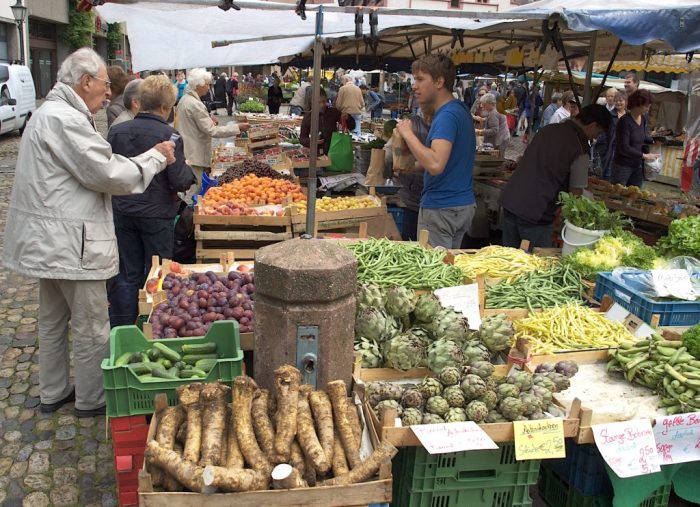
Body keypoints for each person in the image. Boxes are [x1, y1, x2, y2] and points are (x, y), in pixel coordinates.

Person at [2, 48, 176, 418]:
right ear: (84, 82)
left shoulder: (48, 114)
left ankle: (53, 391)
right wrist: (157, 156)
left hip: (51, 239)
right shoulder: (64, 118)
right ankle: (92, 399)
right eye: (103, 85)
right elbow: (109, 173)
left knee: (52, 320)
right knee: (90, 324)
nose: (108, 92)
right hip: (70, 241)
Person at [108, 75, 195, 327]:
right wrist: (189, 173)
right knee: (159, 273)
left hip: (123, 211)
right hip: (157, 215)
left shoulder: (116, 131)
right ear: (166, 108)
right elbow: (178, 180)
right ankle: (156, 326)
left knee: (127, 274)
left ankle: (122, 329)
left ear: (140, 102)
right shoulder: (170, 135)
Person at [499, 104, 611, 248]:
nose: (597, 137)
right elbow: (575, 193)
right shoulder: (579, 148)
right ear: (592, 125)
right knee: (537, 264)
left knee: (508, 260)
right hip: (536, 212)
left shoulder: (547, 130)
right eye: (599, 132)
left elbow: (523, 159)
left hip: (511, 201)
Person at [395, 54, 476, 249]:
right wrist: (412, 165)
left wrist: (408, 134)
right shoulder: (459, 109)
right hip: (460, 205)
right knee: (449, 269)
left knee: (435, 273)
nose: (414, 85)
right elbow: (445, 159)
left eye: (420, 79)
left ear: (439, 82)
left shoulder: (447, 115)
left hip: (442, 208)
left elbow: (435, 164)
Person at [176, 68, 249, 200]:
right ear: (199, 85)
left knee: (189, 189)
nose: (208, 88)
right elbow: (212, 131)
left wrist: (208, 118)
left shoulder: (185, 99)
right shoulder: (195, 104)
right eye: (207, 84)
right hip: (195, 153)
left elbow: (195, 122)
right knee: (194, 190)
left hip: (187, 150)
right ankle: (187, 217)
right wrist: (237, 127)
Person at [387, 109, 433, 241]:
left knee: (410, 239)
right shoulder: (443, 127)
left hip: (410, 195)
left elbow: (388, 155)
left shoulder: (409, 126)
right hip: (430, 198)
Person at [611, 89, 658, 187]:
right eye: (646, 106)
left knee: (635, 194)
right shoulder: (625, 121)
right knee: (618, 194)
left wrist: (655, 141)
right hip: (623, 166)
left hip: (637, 165)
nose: (648, 109)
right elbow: (624, 147)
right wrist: (644, 155)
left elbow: (644, 136)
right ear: (637, 104)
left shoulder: (643, 119)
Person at [299, 88, 356, 155]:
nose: (322, 105)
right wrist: (312, 141)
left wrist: (348, 118)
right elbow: (302, 138)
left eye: (324, 101)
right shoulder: (308, 117)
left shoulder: (333, 112)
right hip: (317, 154)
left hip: (335, 151)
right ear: (312, 102)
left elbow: (352, 126)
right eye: (319, 102)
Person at [592, 91, 626, 180]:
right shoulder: (609, 115)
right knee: (608, 175)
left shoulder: (629, 117)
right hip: (611, 150)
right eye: (616, 101)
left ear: (626, 102)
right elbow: (603, 134)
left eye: (621, 101)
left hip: (624, 151)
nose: (618, 103)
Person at [475, 93, 510, 158]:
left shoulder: (493, 113)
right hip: (504, 137)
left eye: (484, 104)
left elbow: (494, 130)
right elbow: (497, 121)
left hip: (500, 140)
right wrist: (485, 119)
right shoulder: (497, 108)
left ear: (490, 103)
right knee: (500, 156)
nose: (482, 106)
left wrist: (480, 131)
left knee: (498, 159)